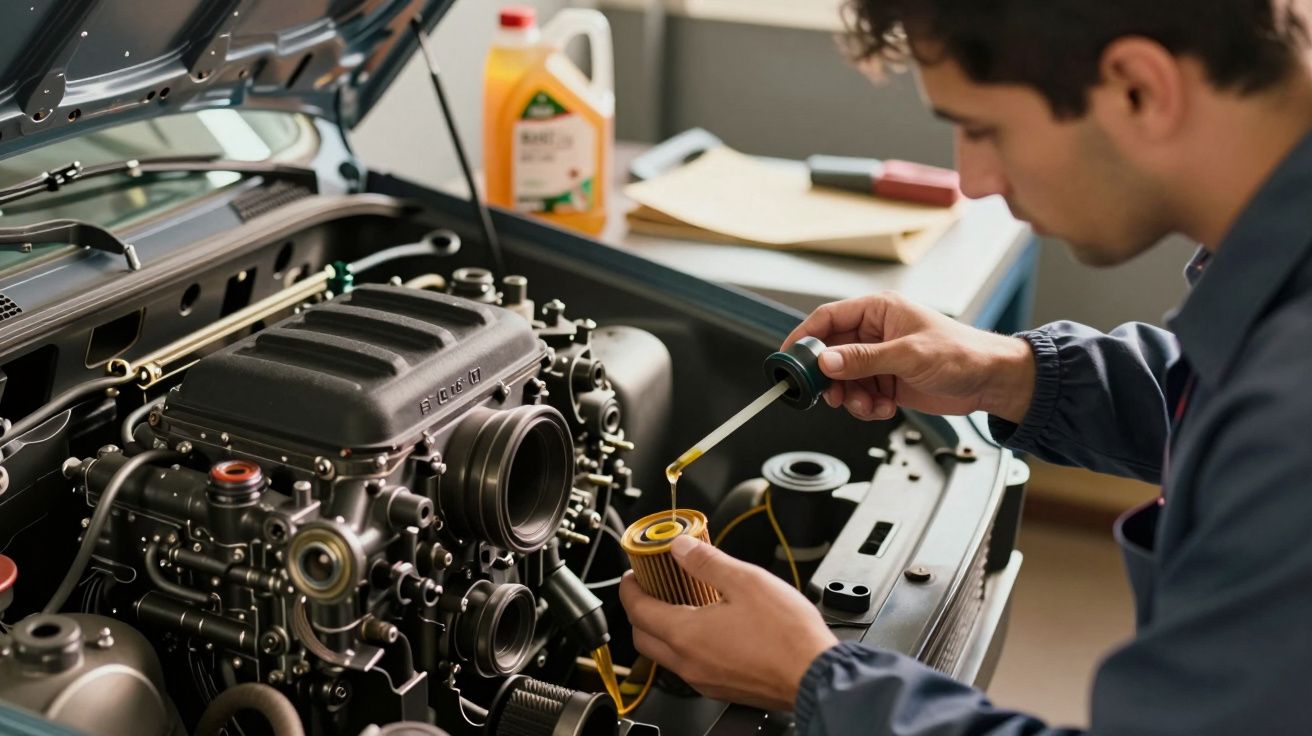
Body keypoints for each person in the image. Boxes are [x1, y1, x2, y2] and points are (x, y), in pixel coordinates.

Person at [618, 1, 1312, 733]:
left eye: (982, 129)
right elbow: (1219, 399)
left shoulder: (1290, 415)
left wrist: (813, 677)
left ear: (1140, 87)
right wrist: (1009, 373)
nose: (973, 180)